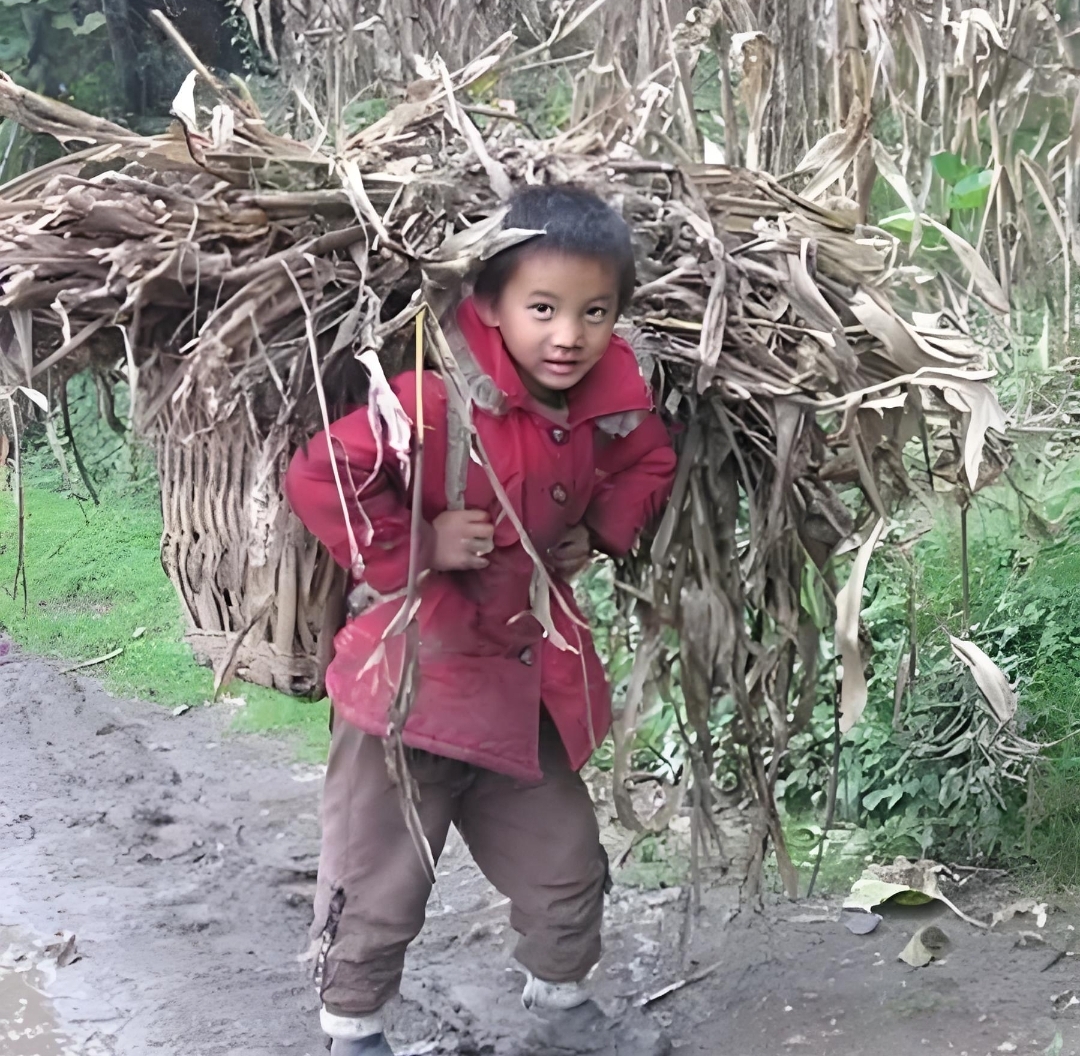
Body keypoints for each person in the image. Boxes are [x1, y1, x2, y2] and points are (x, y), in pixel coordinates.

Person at [284, 185, 677, 1055]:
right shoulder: (432, 398)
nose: (568, 334)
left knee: (566, 862)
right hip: (408, 693)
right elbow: (319, 475)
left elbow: (652, 459)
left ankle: (561, 1009)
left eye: (594, 311)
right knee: (378, 884)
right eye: (543, 308)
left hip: (516, 690)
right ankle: (353, 1035)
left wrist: (596, 529)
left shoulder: (605, 410)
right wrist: (419, 543)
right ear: (492, 304)